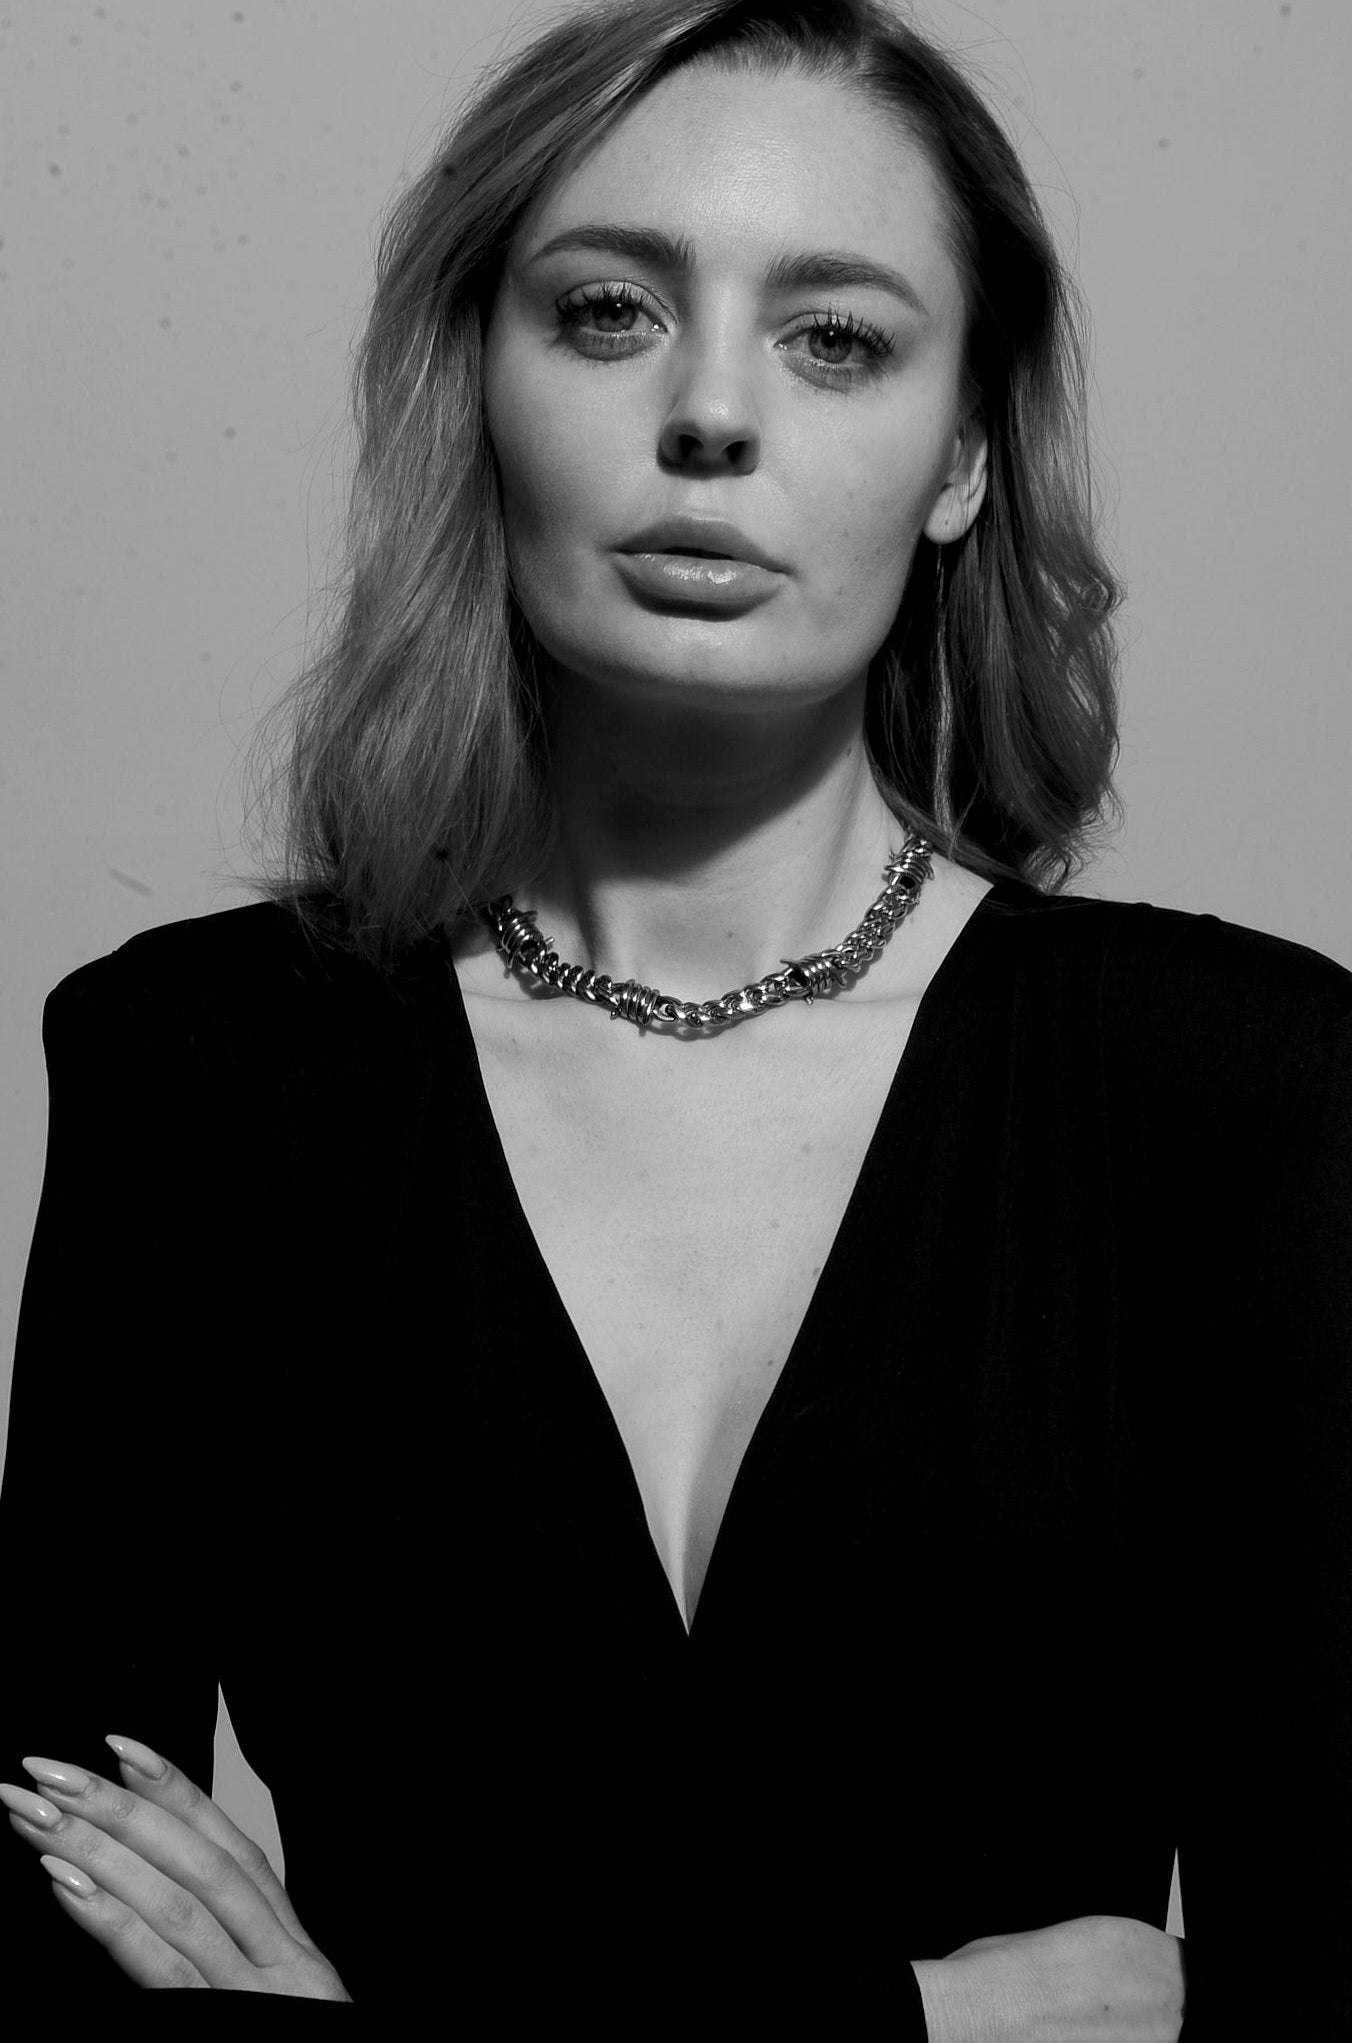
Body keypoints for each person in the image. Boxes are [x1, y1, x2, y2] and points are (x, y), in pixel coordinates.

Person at [3, 0, 1349, 2032]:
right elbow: (61, 1927)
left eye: (838, 338)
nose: (713, 413)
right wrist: (935, 2018)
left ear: (964, 453)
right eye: (610, 312)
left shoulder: (1241, 1088)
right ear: (476, 384)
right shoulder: (198, 1071)